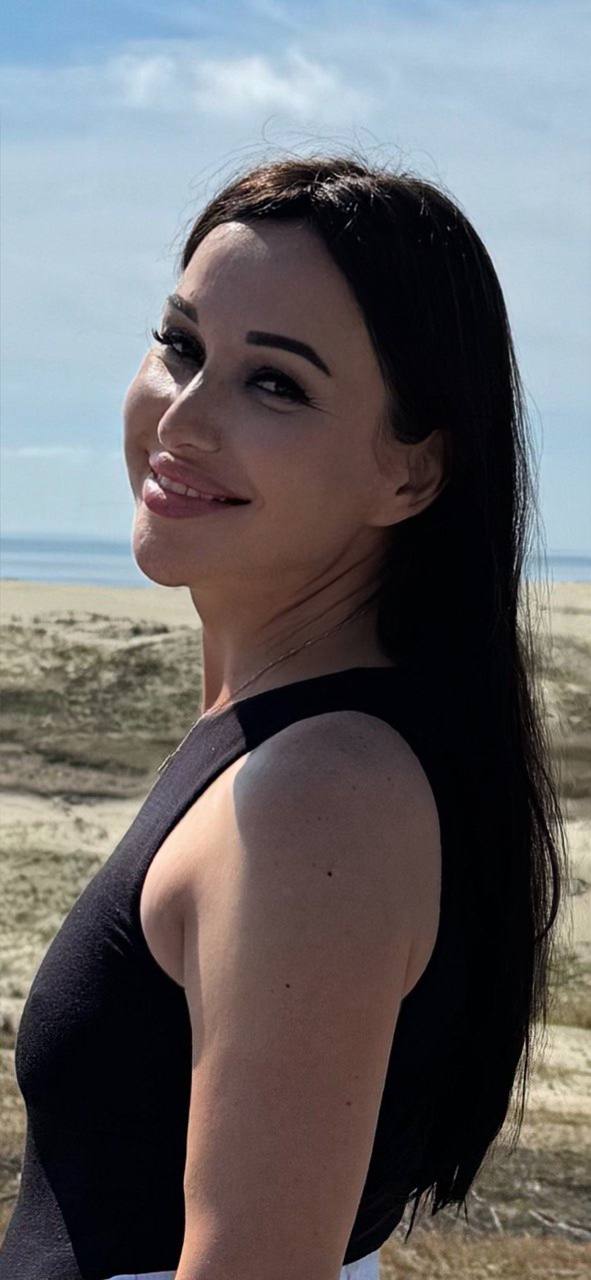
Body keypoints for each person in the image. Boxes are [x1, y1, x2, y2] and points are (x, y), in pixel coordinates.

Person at [1, 154, 568, 1280]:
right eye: (180, 344)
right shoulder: (299, 742)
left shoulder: (320, 796)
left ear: (410, 474)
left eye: (275, 384)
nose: (182, 416)